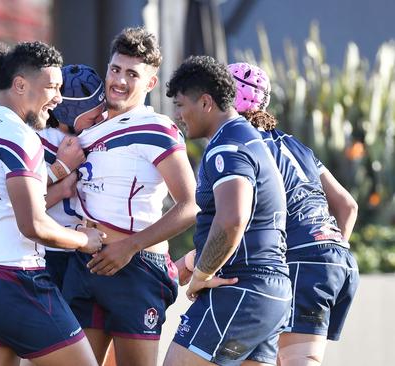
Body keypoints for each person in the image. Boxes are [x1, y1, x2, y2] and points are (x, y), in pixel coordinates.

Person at [0, 41, 104, 366]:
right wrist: (84, 240)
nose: (59, 98)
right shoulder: (21, 136)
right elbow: (33, 225)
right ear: (20, 85)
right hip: (13, 278)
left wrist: (58, 173)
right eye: (52, 87)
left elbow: (7, 201)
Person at [61, 27, 199, 366]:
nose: (119, 81)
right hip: (86, 263)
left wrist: (130, 246)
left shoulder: (157, 128)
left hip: (136, 268)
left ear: (150, 83)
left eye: (132, 74)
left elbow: (190, 205)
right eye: (115, 69)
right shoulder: (88, 127)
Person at [163, 55, 291, 366]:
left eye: (181, 105)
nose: (177, 115)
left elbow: (233, 220)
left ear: (206, 102)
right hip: (269, 292)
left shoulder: (228, 145)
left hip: (239, 289)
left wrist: (202, 274)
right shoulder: (249, 139)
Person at [228, 62, 359, 366]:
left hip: (301, 261)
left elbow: (238, 217)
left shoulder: (241, 145)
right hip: (338, 261)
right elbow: (348, 205)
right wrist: (326, 251)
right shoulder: (294, 144)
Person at [38, 63, 106, 290]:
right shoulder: (37, 142)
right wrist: (62, 176)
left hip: (81, 249)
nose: (100, 121)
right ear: (68, 114)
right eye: (93, 118)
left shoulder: (94, 137)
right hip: (47, 251)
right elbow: (18, 207)